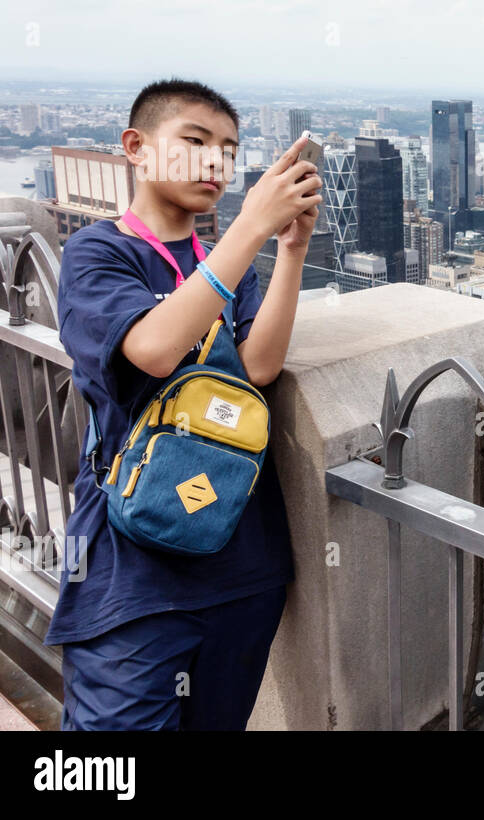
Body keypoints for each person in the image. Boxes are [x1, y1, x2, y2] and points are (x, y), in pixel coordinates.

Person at [45, 78, 324, 729]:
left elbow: (259, 365)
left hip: (243, 565)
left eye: (227, 151)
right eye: (194, 142)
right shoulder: (100, 252)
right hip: (133, 576)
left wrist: (291, 249)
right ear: (137, 148)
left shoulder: (224, 264)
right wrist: (251, 226)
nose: (214, 163)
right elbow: (153, 348)